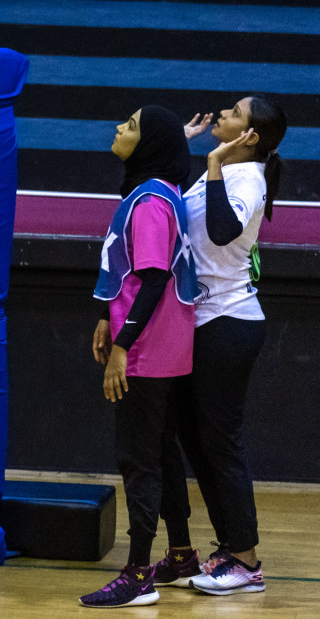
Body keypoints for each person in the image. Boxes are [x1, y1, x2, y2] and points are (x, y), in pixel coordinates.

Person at [150, 97, 285, 596]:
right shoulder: (220, 173)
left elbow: (223, 229)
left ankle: (246, 560)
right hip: (201, 322)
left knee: (221, 441)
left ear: (249, 137)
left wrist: (210, 164)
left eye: (234, 113)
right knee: (197, 437)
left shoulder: (245, 178)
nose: (222, 115)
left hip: (229, 325)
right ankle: (231, 547)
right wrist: (177, 149)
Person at [81, 106, 196, 608]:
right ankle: (182, 552)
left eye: (129, 126)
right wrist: (109, 314)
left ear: (148, 146)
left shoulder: (149, 200)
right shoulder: (161, 192)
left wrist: (122, 348)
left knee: (139, 461)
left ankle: (137, 574)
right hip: (168, 346)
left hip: (146, 352)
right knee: (163, 453)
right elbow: (131, 269)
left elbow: (153, 279)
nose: (118, 128)